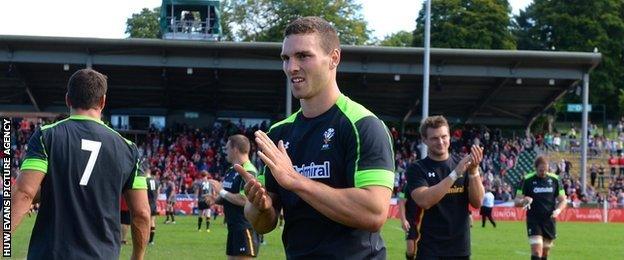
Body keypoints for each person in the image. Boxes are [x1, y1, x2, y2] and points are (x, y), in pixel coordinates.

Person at [236, 16, 395, 259]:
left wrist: (295, 180)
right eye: (286, 58)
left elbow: (374, 213)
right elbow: (263, 223)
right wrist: (260, 206)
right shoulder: (278, 134)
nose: (291, 68)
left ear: (333, 59)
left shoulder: (363, 125)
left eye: (303, 56)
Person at [11, 69, 150, 260]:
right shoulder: (129, 149)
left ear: (68, 99)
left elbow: (24, 194)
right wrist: (137, 256)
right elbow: (142, 213)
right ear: (102, 102)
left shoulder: (46, 135)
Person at [406, 115, 485, 259]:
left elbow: (477, 202)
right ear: (424, 140)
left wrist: (474, 172)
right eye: (434, 138)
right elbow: (425, 201)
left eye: (444, 136)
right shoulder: (417, 169)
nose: (441, 142)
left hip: (460, 250)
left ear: (450, 136)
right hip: (430, 250)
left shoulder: (463, 165)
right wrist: (455, 174)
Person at [515, 156, 567, 260]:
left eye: (546, 170)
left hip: (549, 220)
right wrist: (523, 200)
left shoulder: (555, 179)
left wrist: (558, 210)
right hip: (534, 220)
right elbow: (516, 201)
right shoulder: (527, 179)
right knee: (536, 251)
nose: (543, 172)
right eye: (541, 170)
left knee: (545, 252)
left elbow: (563, 200)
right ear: (535, 168)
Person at [218, 134, 261, 259]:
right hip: (233, 228)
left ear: (235, 149)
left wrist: (221, 192)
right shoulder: (231, 170)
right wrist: (214, 199)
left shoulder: (249, 171)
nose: (225, 152)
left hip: (244, 227)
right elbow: (227, 196)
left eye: (227, 148)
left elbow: (244, 200)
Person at [398, 184, 422, 260]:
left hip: (423, 219)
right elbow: (401, 202)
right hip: (410, 220)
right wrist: (403, 220)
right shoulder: (406, 185)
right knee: (411, 250)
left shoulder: (427, 181)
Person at [144, 161, 160, 245]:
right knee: (152, 221)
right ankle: (151, 240)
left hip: (146, 203)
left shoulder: (145, 180)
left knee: (145, 222)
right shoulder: (156, 181)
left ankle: (145, 239)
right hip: (153, 203)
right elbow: (158, 193)